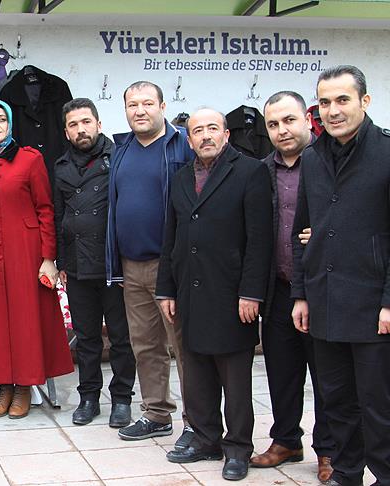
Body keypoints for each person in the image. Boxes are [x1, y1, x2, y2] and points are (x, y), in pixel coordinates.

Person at [157, 108, 272, 481]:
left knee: (235, 380)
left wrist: (251, 293)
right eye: (197, 131)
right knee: (197, 375)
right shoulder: (180, 178)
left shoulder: (250, 172)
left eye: (212, 128)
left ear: (226, 134)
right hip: (190, 292)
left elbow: (259, 241)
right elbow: (171, 237)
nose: (205, 135)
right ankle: (205, 438)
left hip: (232, 295)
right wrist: (166, 288)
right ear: (189, 140)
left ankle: (237, 448)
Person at [291, 65, 390, 486]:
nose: (333, 110)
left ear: (364, 101)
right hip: (325, 301)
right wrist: (301, 294)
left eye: (342, 100)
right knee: (337, 403)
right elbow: (302, 229)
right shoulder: (313, 158)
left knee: (379, 405)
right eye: (325, 102)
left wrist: (389, 301)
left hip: (373, 306)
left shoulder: (386, 152)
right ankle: (346, 474)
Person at [0, 100, 73, 419]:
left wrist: (48, 257)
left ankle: (24, 386)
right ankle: (4, 387)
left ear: (10, 124)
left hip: (26, 251)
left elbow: (45, 209)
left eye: (1, 119)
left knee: (26, 319)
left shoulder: (30, 159)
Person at [249, 91, 334, 482]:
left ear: (307, 120)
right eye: (273, 124)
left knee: (327, 376)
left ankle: (329, 449)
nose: (281, 130)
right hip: (278, 288)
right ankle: (286, 440)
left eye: (288, 120)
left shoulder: (329, 163)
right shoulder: (261, 170)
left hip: (322, 289)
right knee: (282, 373)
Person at [106, 82, 195, 448]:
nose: (139, 110)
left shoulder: (182, 145)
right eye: (132, 104)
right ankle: (157, 414)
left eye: (147, 103)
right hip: (131, 265)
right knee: (145, 345)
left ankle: (197, 421)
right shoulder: (122, 148)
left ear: (162, 106)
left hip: (171, 265)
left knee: (185, 347)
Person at [52, 98, 136, 427]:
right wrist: (61, 261)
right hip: (76, 265)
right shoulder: (60, 166)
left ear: (99, 125)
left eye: (86, 122)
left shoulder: (119, 157)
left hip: (113, 263)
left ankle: (122, 398)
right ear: (66, 132)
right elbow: (59, 216)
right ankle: (88, 397)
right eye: (73, 125)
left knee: (120, 337)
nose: (81, 129)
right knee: (86, 338)